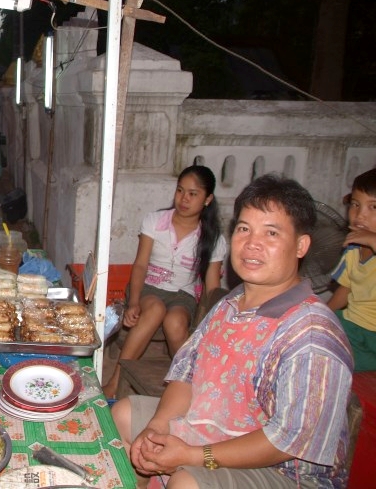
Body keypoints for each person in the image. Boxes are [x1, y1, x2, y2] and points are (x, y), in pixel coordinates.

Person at [111, 174, 354, 489]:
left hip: (285, 471)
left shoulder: (311, 334)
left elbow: (286, 441)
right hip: (217, 425)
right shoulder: (231, 303)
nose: (252, 243)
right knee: (125, 416)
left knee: (186, 482)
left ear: (300, 245)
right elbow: (187, 374)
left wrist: (195, 455)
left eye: (271, 233)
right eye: (244, 229)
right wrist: (158, 428)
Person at [103, 165, 227, 398]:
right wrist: (134, 302)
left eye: (193, 194)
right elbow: (140, 265)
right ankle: (115, 381)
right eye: (180, 191)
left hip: (183, 296)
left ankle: (183, 387)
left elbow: (212, 289)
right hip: (149, 287)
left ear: (207, 199)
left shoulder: (213, 239)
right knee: (156, 309)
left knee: (175, 322)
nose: (184, 199)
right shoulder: (155, 221)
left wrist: (211, 325)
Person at [327, 167, 376, 371]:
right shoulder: (354, 247)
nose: (360, 215)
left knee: (338, 362)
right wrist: (322, 314)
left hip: (372, 338)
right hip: (351, 324)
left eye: (374, 207)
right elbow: (345, 290)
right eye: (355, 205)